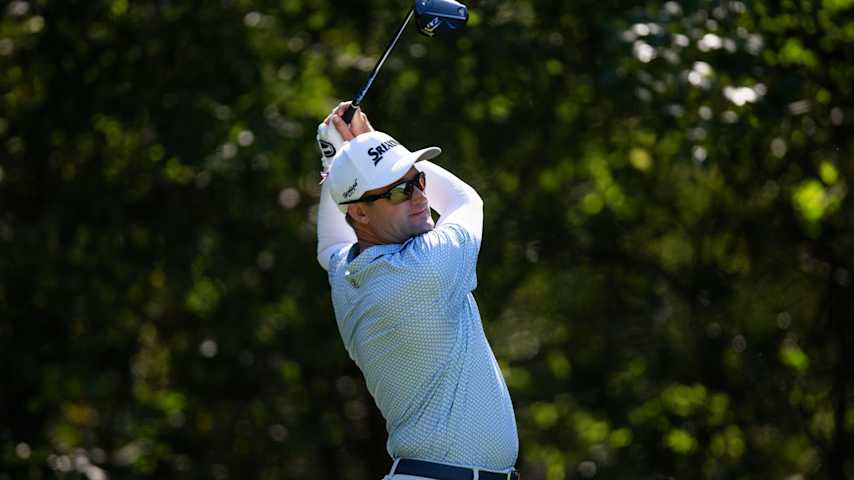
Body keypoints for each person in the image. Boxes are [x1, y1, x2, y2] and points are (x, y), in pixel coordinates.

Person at [316, 102, 519, 480]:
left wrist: (346, 159)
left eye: (419, 179)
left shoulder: (346, 274)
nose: (420, 196)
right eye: (398, 192)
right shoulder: (425, 268)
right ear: (359, 214)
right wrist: (357, 144)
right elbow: (466, 200)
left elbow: (329, 244)